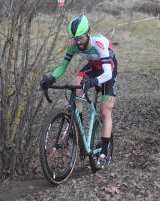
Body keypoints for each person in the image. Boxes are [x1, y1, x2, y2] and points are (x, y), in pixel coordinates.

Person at [40, 14, 118, 169]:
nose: (77, 42)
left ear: (88, 32)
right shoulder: (74, 44)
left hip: (108, 71)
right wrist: (51, 79)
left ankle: (103, 151)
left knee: (105, 111)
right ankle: (79, 128)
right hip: (94, 67)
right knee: (76, 82)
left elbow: (107, 73)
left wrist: (94, 81)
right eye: (74, 38)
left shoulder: (100, 43)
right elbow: (63, 67)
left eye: (80, 38)